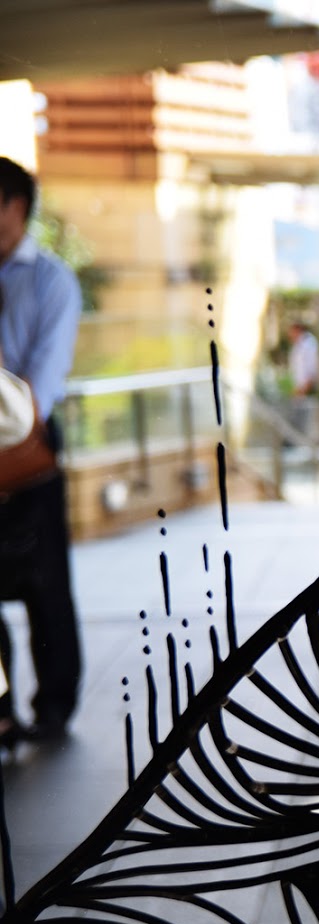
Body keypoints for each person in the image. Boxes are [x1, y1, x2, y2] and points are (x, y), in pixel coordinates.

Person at [0, 157, 82, 745]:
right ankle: (1, 710)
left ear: (17, 207)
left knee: (45, 583)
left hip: (28, 449)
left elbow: (44, 379)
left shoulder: (51, 280)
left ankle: (54, 706)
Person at [284, 321, 319, 445]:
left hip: (306, 388)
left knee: (307, 421)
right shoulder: (299, 345)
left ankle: (308, 445)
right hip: (299, 388)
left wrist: (304, 388)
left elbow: (311, 368)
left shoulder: (309, 344)